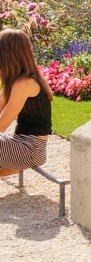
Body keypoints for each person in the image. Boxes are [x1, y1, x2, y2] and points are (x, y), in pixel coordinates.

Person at [0, 28, 53, 177]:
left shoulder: (25, 83)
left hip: (31, 150)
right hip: (20, 145)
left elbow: (2, 125)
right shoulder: (13, 81)